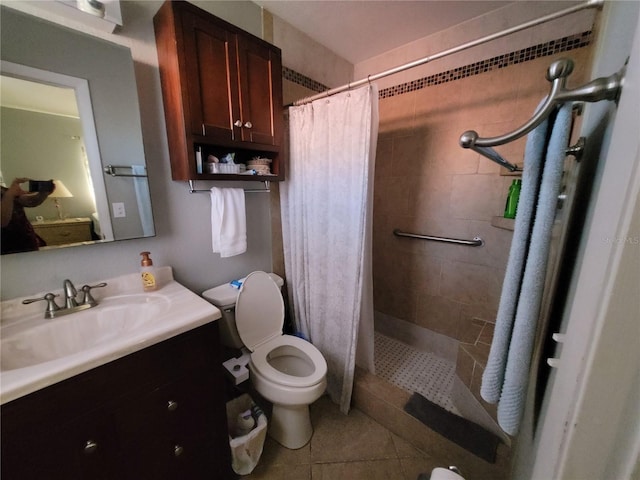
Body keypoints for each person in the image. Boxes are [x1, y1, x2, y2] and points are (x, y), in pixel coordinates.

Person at [1, 177, 55, 254]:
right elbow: (2, 222)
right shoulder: (8, 193)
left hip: (27, 244)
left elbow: (29, 202)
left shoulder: (2, 190)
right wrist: (9, 194)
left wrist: (44, 193)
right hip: (9, 249)